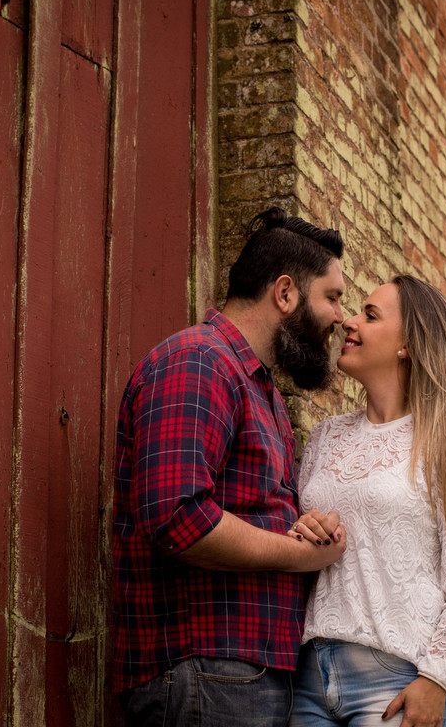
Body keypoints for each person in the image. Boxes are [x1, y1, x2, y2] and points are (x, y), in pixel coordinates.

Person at [112, 207, 351, 726]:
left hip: (244, 674)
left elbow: (249, 509)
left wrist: (306, 528)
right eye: (332, 297)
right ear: (285, 293)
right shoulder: (199, 361)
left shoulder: (259, 388)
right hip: (206, 671)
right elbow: (178, 518)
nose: (340, 316)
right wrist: (297, 554)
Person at [287, 275, 446, 727]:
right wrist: (302, 531)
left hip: (395, 682)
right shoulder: (327, 436)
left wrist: (437, 678)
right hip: (308, 677)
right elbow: (299, 546)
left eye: (370, 315)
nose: (349, 322)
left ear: (407, 345)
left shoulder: (445, 443)